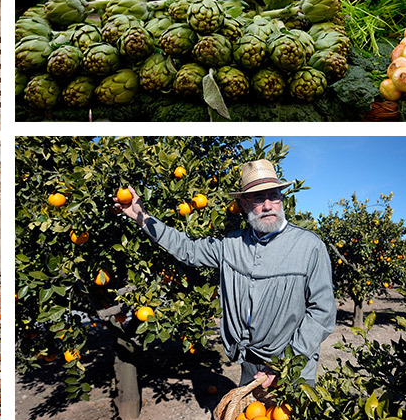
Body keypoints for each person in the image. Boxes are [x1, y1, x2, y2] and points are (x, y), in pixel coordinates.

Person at [116, 158, 338, 387]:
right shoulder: (231, 244)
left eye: (273, 196)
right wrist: (141, 216)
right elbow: (187, 249)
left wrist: (288, 361)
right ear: (244, 205)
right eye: (258, 198)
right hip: (250, 361)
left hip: (292, 365)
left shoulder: (309, 246)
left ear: (282, 199)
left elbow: (322, 312)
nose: (268, 205)